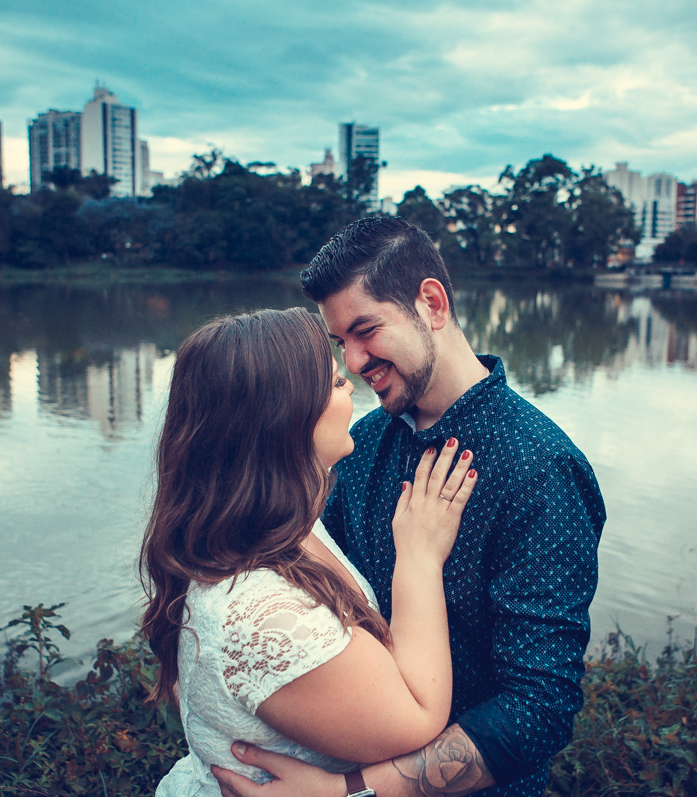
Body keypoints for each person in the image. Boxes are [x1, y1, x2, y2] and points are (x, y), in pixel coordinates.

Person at [211, 217, 606, 797]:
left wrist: (347, 791)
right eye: (339, 342)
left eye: (365, 330)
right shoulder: (360, 442)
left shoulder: (540, 468)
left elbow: (538, 710)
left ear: (431, 303)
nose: (352, 362)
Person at [141, 307, 479, 797]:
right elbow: (420, 717)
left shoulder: (265, 527)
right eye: (335, 382)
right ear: (282, 418)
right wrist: (420, 558)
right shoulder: (263, 613)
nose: (351, 389)